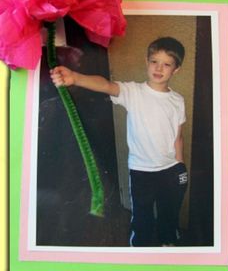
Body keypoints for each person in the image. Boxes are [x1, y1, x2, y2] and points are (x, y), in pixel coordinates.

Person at [50, 36, 188, 247]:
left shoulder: (177, 100)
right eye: (154, 61)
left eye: (167, 64)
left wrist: (180, 166)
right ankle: (140, 250)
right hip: (142, 171)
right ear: (146, 61)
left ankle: (167, 245)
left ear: (175, 70)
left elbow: (178, 136)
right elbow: (106, 85)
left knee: (169, 215)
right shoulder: (134, 92)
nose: (159, 68)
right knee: (142, 218)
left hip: (171, 170)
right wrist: (76, 78)